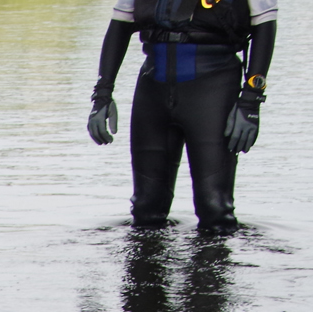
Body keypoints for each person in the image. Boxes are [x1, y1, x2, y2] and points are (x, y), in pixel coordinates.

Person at [87, 0, 277, 234]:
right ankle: (144, 266)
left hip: (213, 88)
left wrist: (251, 101)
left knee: (215, 212)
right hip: (153, 90)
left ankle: (215, 267)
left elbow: (265, 27)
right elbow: (119, 26)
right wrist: (102, 95)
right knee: (146, 210)